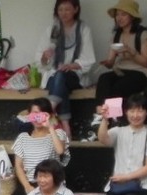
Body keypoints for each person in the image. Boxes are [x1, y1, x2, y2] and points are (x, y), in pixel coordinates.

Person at [4, 98, 70, 195]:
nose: (37, 117)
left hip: (51, 183)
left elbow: (60, 150)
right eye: (34, 113)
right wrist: (27, 186)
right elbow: (19, 166)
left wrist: (50, 126)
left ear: (49, 115)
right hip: (29, 182)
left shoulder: (58, 134)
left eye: (41, 113)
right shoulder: (23, 137)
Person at [35, 0, 95, 138]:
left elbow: (88, 59)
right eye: (60, 9)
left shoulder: (83, 29)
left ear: (76, 9)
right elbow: (41, 62)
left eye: (67, 9)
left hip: (75, 74)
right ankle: (66, 126)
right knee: (60, 82)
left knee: (60, 77)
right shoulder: (52, 30)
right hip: (53, 75)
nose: (63, 13)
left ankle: (48, 109)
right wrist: (45, 56)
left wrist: (71, 65)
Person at [95, 1, 147, 117]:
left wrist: (131, 52)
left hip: (140, 72)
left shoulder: (142, 34)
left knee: (118, 87)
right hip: (121, 70)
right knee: (103, 79)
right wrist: (107, 63)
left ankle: (112, 117)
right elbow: (111, 62)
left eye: (123, 14)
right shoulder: (116, 35)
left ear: (132, 17)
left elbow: (146, 62)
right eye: (117, 15)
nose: (119, 18)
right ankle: (101, 114)